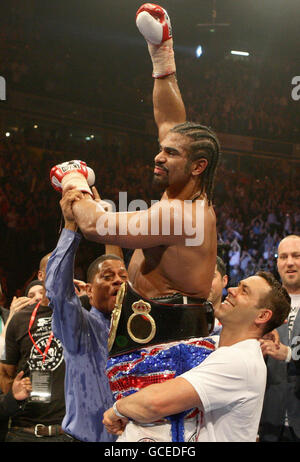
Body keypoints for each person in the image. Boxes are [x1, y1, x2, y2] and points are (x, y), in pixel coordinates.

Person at [49, 3, 220, 442]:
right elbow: (172, 124)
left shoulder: (180, 215)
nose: (158, 156)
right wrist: (162, 59)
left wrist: (75, 184)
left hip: (165, 359)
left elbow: (97, 226)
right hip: (147, 353)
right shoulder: (184, 193)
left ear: (197, 166)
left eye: (171, 154)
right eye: (162, 150)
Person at [103, 271, 291, 442]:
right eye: (238, 285)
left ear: (262, 316)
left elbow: (155, 403)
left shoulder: (239, 360)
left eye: (244, 291)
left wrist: (116, 410)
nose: (232, 290)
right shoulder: (220, 346)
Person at [45, 186, 128, 442]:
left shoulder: (137, 331)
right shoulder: (80, 326)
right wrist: (71, 224)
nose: (117, 281)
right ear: (89, 291)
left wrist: (105, 222)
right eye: (107, 277)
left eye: (123, 278)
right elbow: (59, 292)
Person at [0, 280, 69, 441]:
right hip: (25, 430)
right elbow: (5, 374)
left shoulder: (70, 317)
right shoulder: (17, 322)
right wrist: (13, 396)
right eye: (31, 295)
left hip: (65, 430)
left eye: (41, 292)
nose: (38, 297)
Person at [259, 234, 300, 442]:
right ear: (277, 263)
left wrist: (290, 355)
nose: (290, 262)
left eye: (296, 256)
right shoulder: (264, 305)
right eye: (283, 257)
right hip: (269, 423)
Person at [209, 256, 228, 335]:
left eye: (211, 276)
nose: (204, 281)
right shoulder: (180, 318)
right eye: (200, 276)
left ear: (224, 281)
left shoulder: (236, 323)